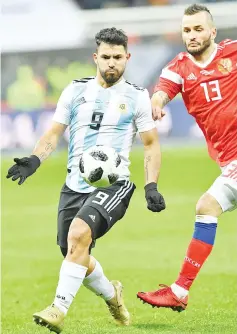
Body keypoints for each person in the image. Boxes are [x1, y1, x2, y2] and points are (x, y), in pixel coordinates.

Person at [6, 27, 166, 333]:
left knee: (79, 236)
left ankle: (58, 308)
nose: (111, 63)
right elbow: (53, 133)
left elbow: (150, 144)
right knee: (74, 253)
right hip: (74, 186)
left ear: (127, 58)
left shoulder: (136, 96)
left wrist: (151, 186)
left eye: (118, 57)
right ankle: (112, 294)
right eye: (105, 57)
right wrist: (35, 160)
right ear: (96, 57)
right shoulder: (75, 91)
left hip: (113, 185)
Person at [137, 4, 237, 311]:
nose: (191, 35)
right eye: (186, 30)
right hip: (228, 161)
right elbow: (162, 90)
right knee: (206, 208)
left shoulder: (232, 53)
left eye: (197, 29)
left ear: (212, 32)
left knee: (206, 206)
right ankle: (179, 292)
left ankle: (179, 291)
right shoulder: (178, 68)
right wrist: (155, 104)